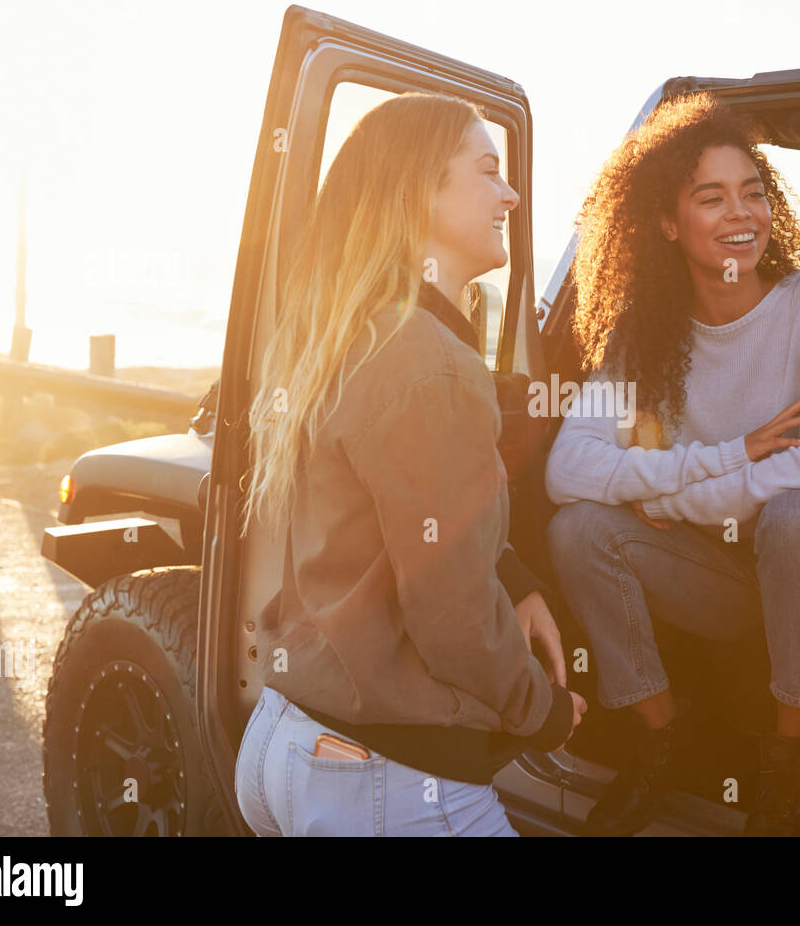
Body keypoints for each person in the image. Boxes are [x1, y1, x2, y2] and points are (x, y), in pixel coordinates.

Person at [545, 92, 800, 836]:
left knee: (797, 514)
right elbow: (566, 470)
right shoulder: (642, 338)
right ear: (669, 224)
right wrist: (722, 459)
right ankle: (660, 737)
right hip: (735, 575)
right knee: (579, 530)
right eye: (712, 198)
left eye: (753, 193)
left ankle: (789, 758)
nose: (742, 214)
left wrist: (674, 499)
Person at [232, 92, 585, 837]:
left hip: (284, 740)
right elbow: (449, 615)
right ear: (417, 192)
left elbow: (395, 523)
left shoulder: (343, 333)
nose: (512, 192)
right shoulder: (431, 364)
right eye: (489, 171)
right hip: (386, 783)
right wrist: (543, 709)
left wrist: (512, 578)